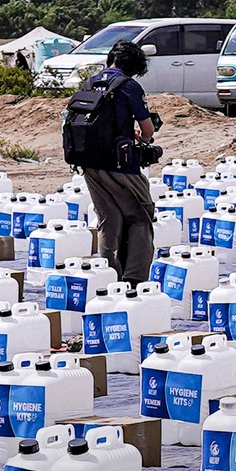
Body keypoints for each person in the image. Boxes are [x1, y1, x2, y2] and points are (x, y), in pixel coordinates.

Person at [80, 39, 160, 286]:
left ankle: (108, 275)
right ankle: (134, 278)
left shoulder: (90, 83)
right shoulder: (129, 86)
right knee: (140, 214)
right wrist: (142, 137)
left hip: (89, 162)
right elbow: (147, 129)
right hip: (121, 163)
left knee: (109, 218)